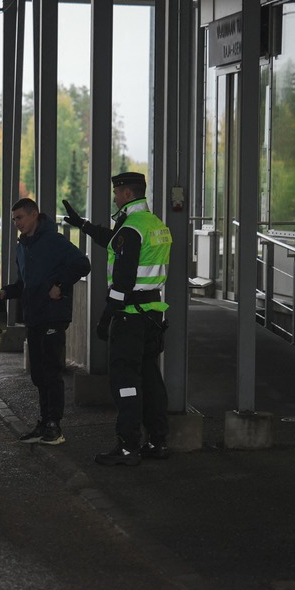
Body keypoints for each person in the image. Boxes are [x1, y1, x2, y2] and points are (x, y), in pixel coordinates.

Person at [62, 172, 172, 466]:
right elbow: (113, 241)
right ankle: (157, 441)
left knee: (125, 380)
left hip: (130, 318)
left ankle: (127, 446)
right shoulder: (154, 224)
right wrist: (83, 225)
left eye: (116, 192)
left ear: (125, 193)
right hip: (152, 315)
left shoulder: (133, 228)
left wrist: (106, 317)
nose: (114, 197)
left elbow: (122, 282)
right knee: (150, 378)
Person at [0, 197, 91, 446]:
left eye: (19, 218)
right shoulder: (23, 246)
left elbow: (83, 264)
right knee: (39, 373)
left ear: (34, 215)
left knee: (51, 371)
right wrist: (7, 292)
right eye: (14, 219)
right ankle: (44, 422)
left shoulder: (53, 240)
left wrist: (59, 285)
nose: (16, 223)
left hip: (53, 315)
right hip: (35, 315)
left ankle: (54, 426)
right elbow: (24, 284)